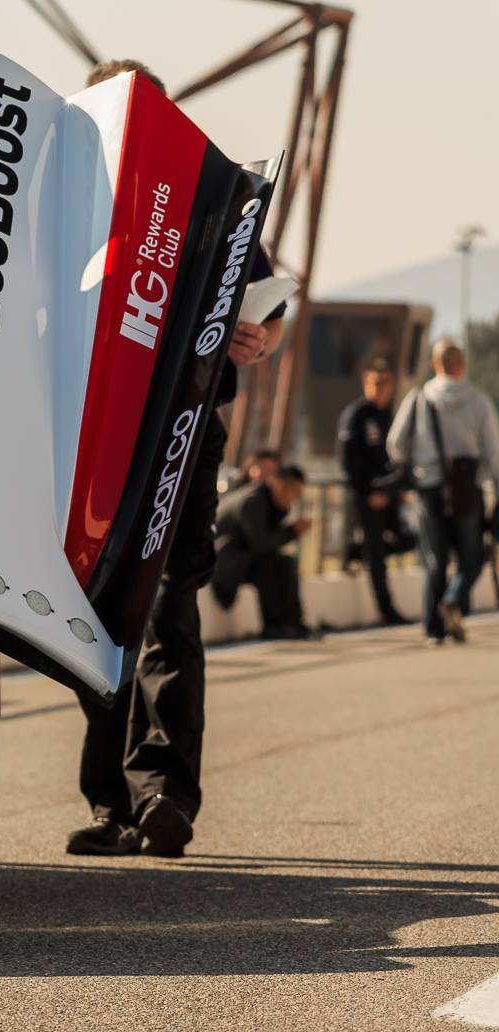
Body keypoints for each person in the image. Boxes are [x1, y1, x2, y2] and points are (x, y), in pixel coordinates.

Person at [68, 57, 288, 859]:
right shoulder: (69, 187)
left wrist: (259, 333)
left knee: (168, 611)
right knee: (93, 619)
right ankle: (108, 804)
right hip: (95, 442)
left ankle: (165, 796)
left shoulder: (211, 186)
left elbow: (266, 302)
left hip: (186, 439)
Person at [387, 339, 499, 646]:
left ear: (436, 365)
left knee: (434, 559)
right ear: (462, 365)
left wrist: (415, 467)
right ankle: (453, 600)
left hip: (428, 488)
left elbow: (395, 444)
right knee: (472, 558)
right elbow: (494, 452)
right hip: (467, 490)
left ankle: (433, 628)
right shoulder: (478, 401)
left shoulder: (419, 398)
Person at [337, 359, 410, 625]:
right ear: (365, 384)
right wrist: (368, 493)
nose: (381, 389)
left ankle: (355, 552)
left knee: (406, 540)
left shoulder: (388, 415)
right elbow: (347, 463)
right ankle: (386, 610)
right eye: (376, 383)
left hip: (389, 495)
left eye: (386, 383)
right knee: (377, 555)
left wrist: (397, 490)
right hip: (367, 498)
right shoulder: (355, 415)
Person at [211, 464, 314, 640]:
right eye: (295, 493)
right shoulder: (253, 501)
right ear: (280, 486)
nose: (295, 499)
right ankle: (273, 626)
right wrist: (292, 531)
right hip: (223, 563)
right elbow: (260, 543)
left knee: (286, 562)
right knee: (267, 565)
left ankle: (293, 623)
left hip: (243, 557)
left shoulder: (272, 503)